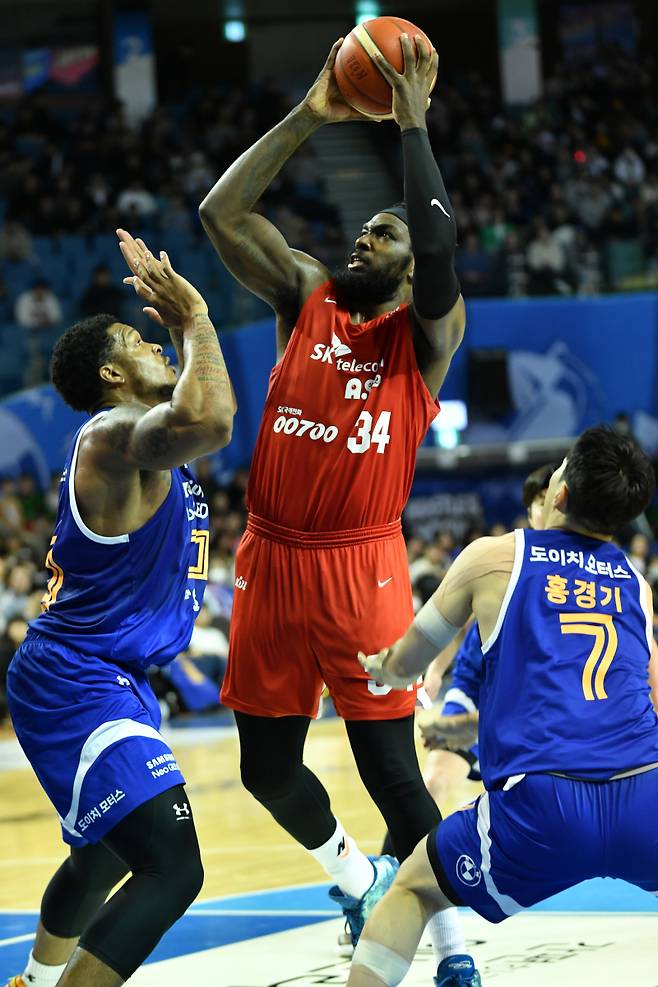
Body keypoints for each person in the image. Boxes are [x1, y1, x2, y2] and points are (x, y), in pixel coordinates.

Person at [199, 34, 467, 970]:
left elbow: (436, 240)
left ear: (407, 267)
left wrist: (412, 124)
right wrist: (313, 113)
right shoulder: (306, 294)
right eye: (364, 229)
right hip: (273, 560)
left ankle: (453, 942)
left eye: (383, 234)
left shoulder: (427, 338)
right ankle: (357, 879)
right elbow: (220, 211)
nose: (367, 237)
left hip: (363, 564)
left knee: (392, 771)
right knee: (265, 769)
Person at [5, 233, 235, 987]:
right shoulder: (109, 434)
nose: (159, 345)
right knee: (174, 866)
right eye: (141, 340)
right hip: (77, 675)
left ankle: (34, 981)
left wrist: (186, 335)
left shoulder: (139, 447)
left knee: (102, 853)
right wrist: (195, 317)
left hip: (111, 673)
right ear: (111, 373)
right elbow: (213, 422)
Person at [352, 426, 658, 986]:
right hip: (646, 793)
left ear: (559, 495)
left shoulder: (497, 558)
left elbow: (410, 657)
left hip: (544, 805)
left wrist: (382, 669)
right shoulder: (636, 585)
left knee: (415, 886)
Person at [415, 463, 557, 807]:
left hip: (527, 708)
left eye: (551, 499)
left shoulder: (579, 571)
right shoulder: (502, 557)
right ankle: (397, 859)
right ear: (529, 510)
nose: (546, 508)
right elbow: (459, 622)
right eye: (539, 501)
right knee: (433, 783)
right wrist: (434, 672)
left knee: (528, 804)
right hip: (473, 691)